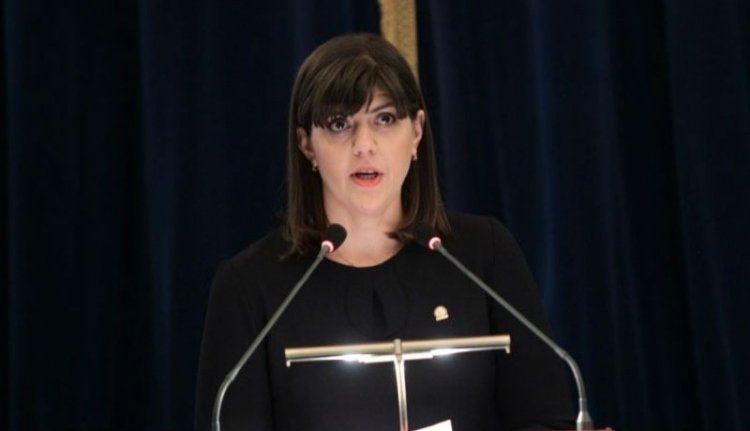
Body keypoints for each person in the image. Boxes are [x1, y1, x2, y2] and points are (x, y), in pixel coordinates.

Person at [194, 33, 574, 431]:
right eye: (339, 124)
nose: (364, 145)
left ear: (417, 131)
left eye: (385, 119)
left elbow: (546, 419)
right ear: (307, 145)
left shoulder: (483, 254)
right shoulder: (248, 286)